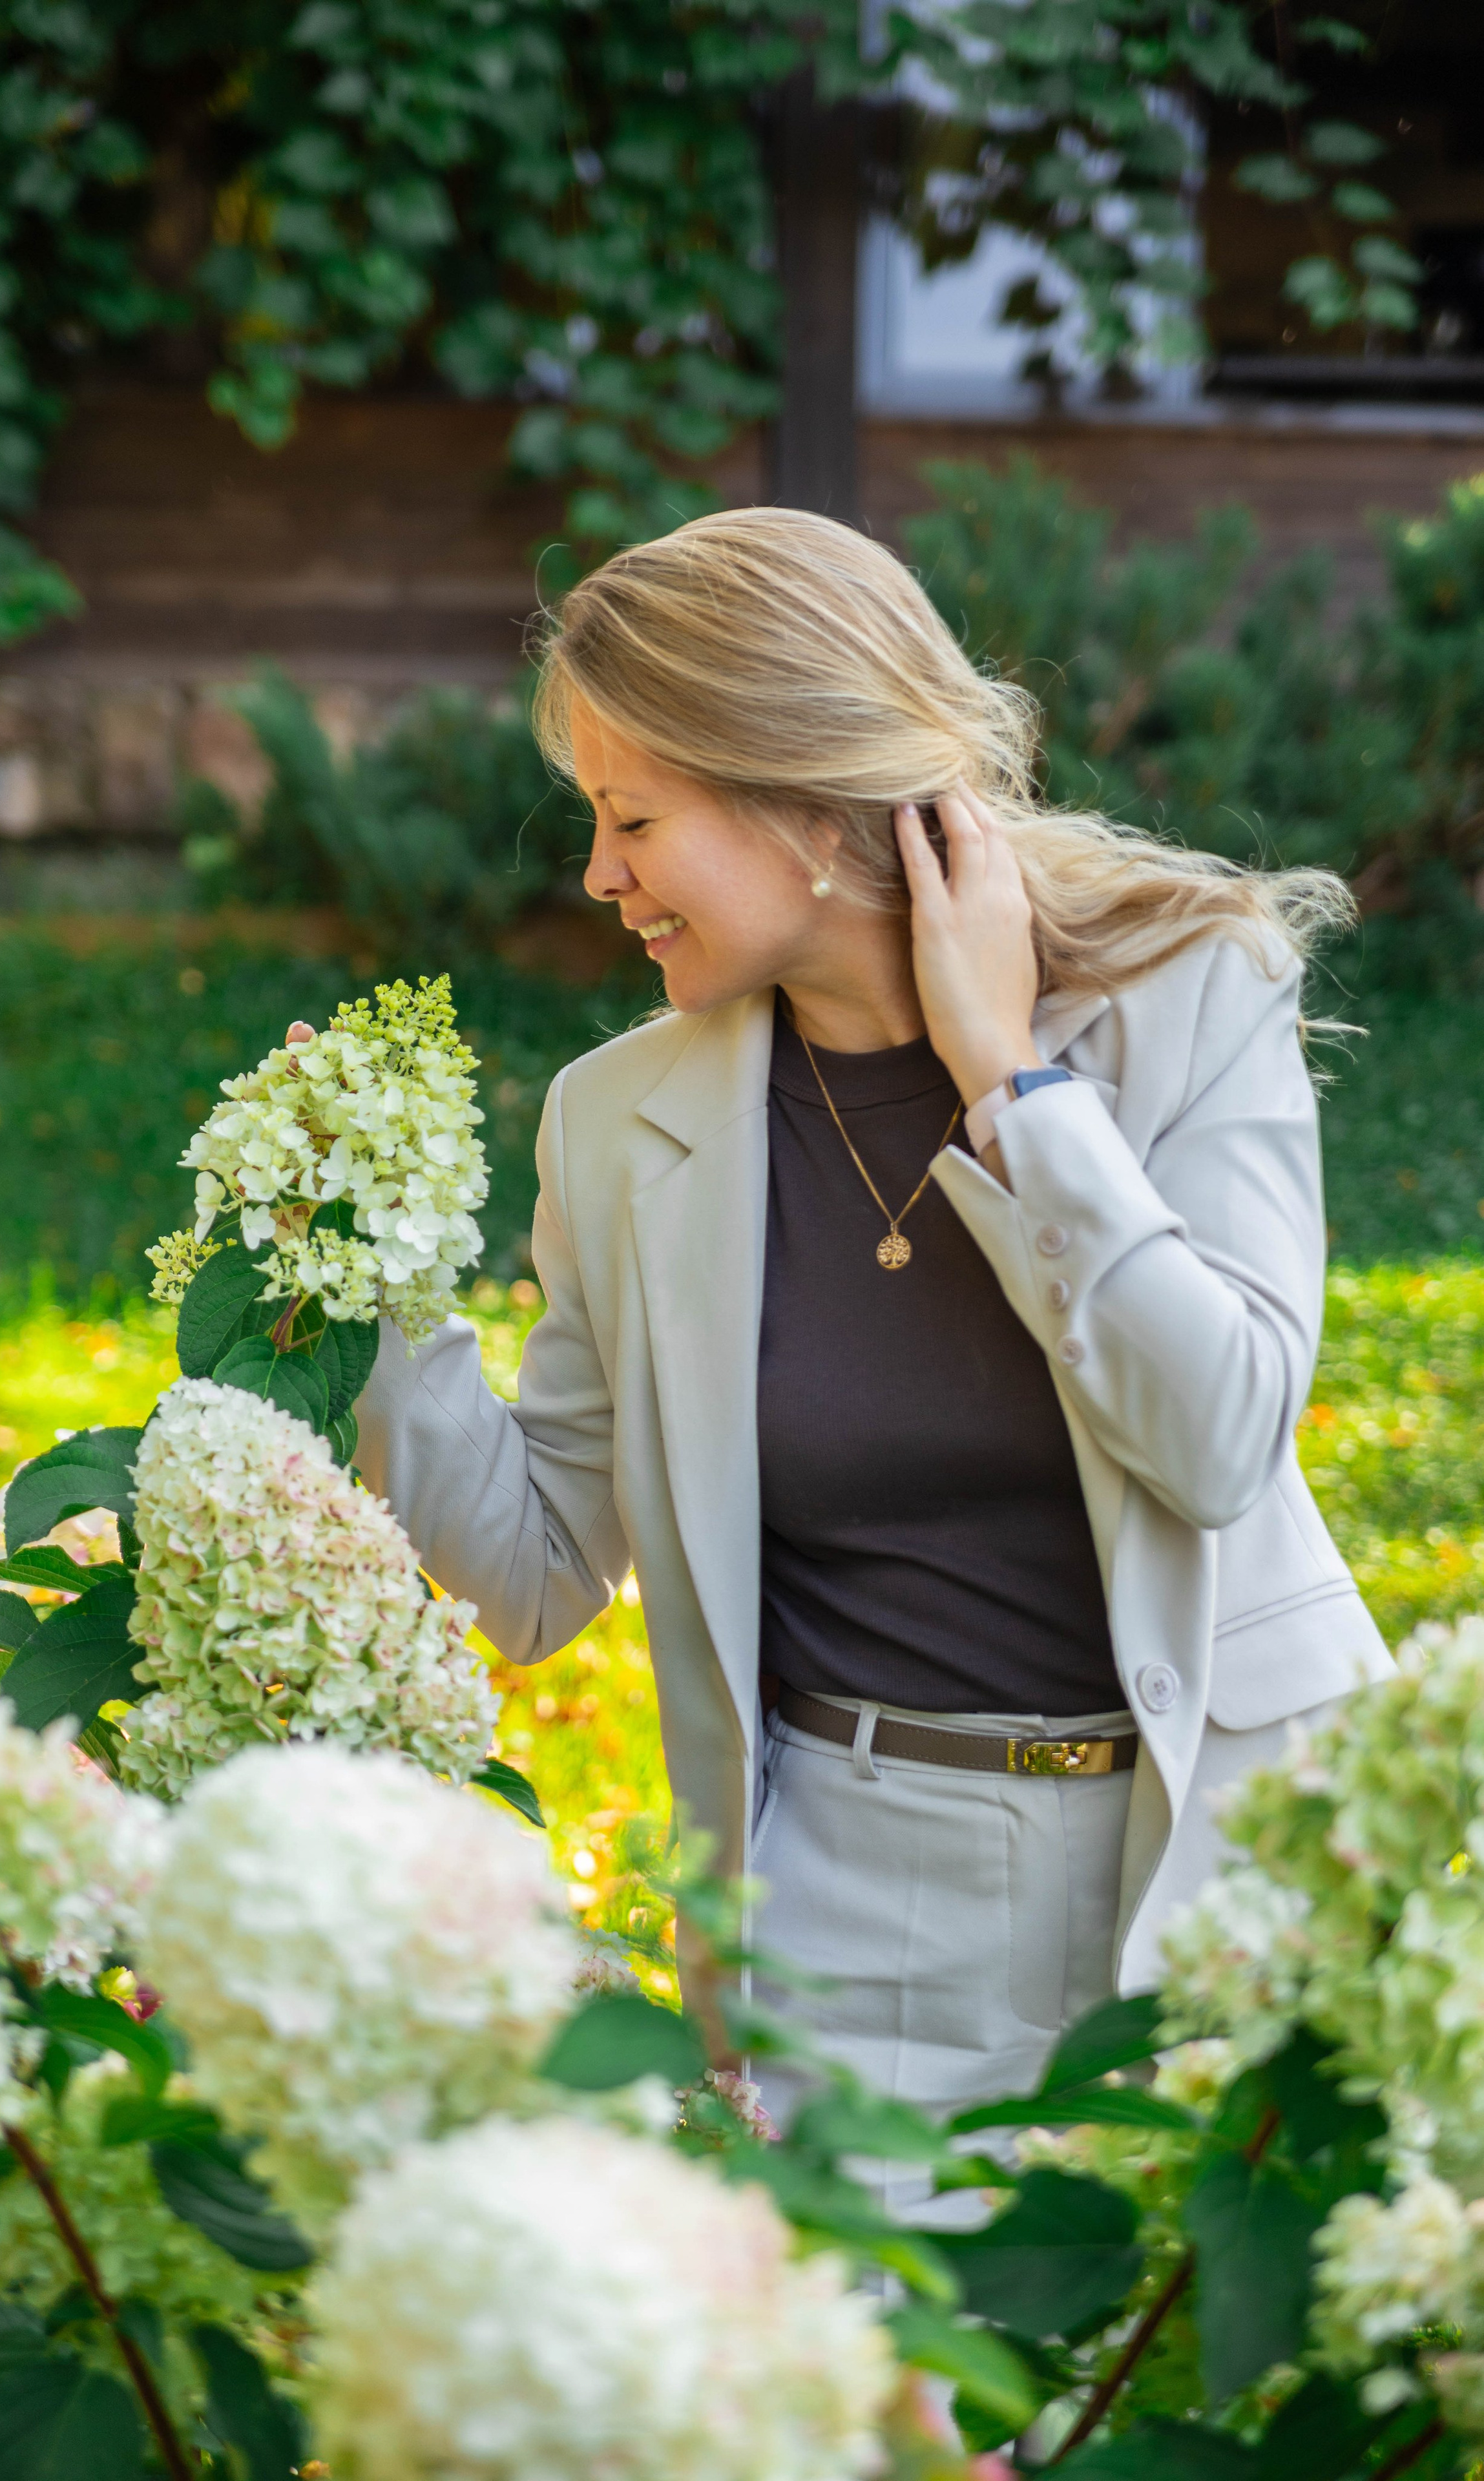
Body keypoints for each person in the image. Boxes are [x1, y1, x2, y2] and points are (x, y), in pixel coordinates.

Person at [353, 505, 1391, 2117]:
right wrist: (365, 1282)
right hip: (846, 1909)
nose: (596, 874)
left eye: (632, 818)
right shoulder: (619, 1122)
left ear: (803, 812)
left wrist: (1011, 1085)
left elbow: (1219, 1441)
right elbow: (535, 1581)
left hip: (1218, 1860)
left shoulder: (1190, 989)